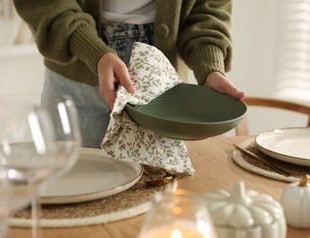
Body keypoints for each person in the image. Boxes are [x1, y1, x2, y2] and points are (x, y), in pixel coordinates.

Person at [13, 0, 246, 148]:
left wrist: (209, 66)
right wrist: (94, 51)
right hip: (76, 83)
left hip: (162, 89)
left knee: (152, 196)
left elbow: (208, 11)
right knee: (71, 188)